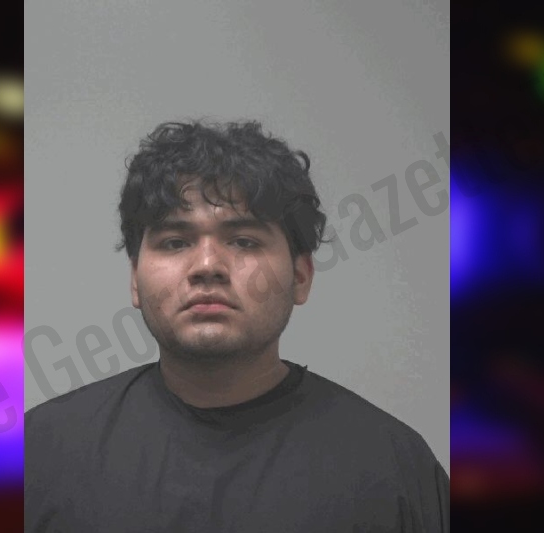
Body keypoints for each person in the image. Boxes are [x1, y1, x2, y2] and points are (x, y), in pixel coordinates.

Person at [25, 120, 449, 532]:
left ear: (301, 276)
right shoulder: (40, 455)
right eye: (175, 242)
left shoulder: (394, 471)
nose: (207, 266)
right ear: (135, 279)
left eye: (244, 241)